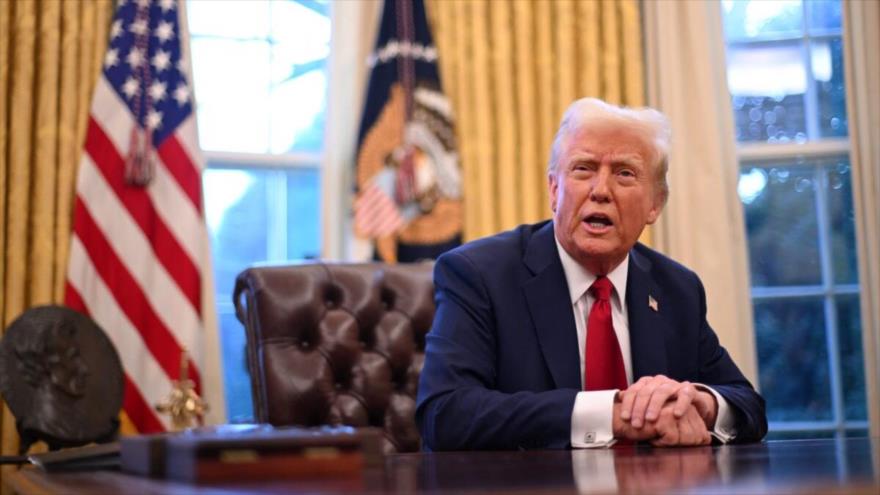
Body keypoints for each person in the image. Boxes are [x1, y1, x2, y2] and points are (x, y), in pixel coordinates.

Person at [415, 97, 767, 450]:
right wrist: (614, 415)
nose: (600, 191)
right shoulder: (479, 275)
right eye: (583, 169)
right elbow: (445, 414)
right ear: (555, 189)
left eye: (624, 173)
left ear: (655, 204)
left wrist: (699, 404)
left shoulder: (677, 288)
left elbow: (748, 406)